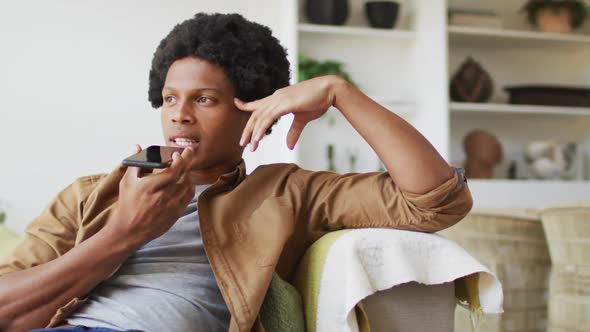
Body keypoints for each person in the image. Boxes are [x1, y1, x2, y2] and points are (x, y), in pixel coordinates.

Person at [0, 13, 472, 332]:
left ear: (252, 113)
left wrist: (339, 92)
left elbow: (437, 198)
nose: (178, 115)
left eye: (204, 99)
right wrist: (124, 232)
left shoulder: (284, 193)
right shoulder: (89, 195)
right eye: (169, 98)